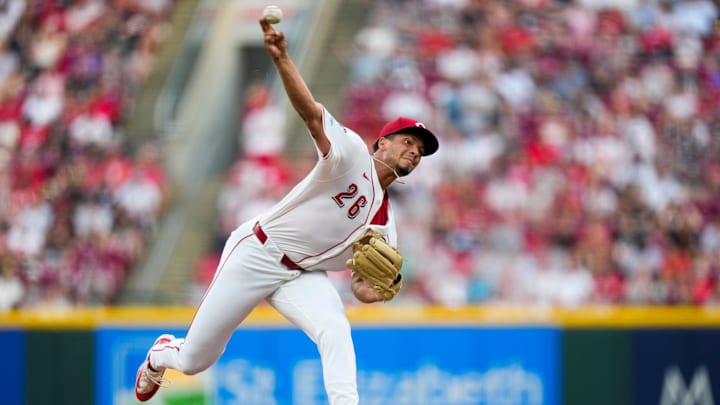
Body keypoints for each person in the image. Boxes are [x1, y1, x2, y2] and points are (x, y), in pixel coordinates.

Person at [134, 16, 439, 405]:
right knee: (195, 360)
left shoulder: (385, 224)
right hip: (257, 251)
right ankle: (161, 354)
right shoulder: (349, 155)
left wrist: (376, 290)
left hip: (300, 275)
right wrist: (281, 58)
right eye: (408, 141)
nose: (414, 150)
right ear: (382, 143)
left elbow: (361, 287)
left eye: (420, 150)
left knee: (335, 327)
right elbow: (311, 114)